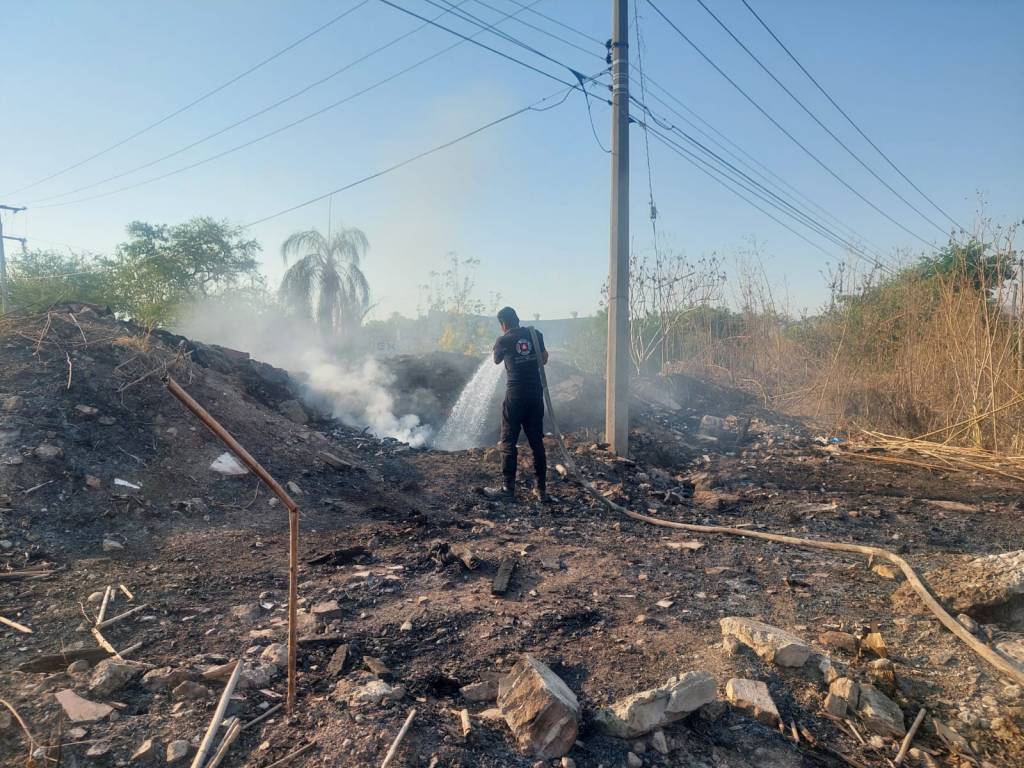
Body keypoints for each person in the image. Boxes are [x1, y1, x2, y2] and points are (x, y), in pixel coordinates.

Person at [485, 306, 549, 502]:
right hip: (535, 395)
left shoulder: (503, 340)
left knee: (508, 441)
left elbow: (496, 360)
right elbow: (544, 359)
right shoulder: (535, 334)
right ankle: (541, 491)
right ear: (517, 319)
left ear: (503, 324)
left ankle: (508, 488)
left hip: (515, 396)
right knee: (536, 442)